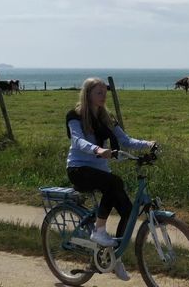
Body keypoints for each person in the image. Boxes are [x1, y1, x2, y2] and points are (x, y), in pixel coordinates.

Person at [65, 77, 156, 281]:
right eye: (99, 93)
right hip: (79, 168)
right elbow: (77, 141)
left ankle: (114, 257)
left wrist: (147, 144)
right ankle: (99, 230)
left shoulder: (106, 118)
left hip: (99, 171)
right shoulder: (75, 116)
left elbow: (125, 140)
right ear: (87, 94)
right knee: (114, 182)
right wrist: (97, 149)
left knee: (127, 210)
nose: (103, 96)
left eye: (105, 92)